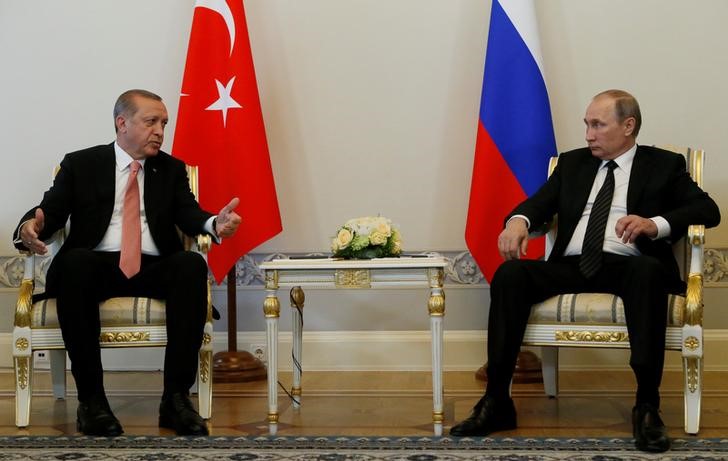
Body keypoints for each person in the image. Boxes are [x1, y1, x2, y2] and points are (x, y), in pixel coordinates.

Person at [450, 89, 720, 453]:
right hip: (571, 265)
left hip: (628, 264)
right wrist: (518, 221)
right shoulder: (572, 164)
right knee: (511, 275)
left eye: (598, 125)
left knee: (647, 272)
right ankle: (497, 401)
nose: (589, 134)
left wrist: (654, 224)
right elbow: (538, 204)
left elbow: (707, 210)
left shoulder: (664, 165)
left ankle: (646, 406)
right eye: (587, 125)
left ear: (628, 126)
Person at [12, 89, 241, 437]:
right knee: (74, 263)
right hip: (96, 266)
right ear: (122, 123)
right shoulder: (82, 164)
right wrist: (30, 226)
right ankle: (92, 402)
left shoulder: (171, 168)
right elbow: (50, 212)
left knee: (191, 265)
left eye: (164, 123)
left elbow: (189, 213)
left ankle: (175, 401)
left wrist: (214, 224)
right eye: (151, 121)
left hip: (152, 265)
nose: (160, 131)